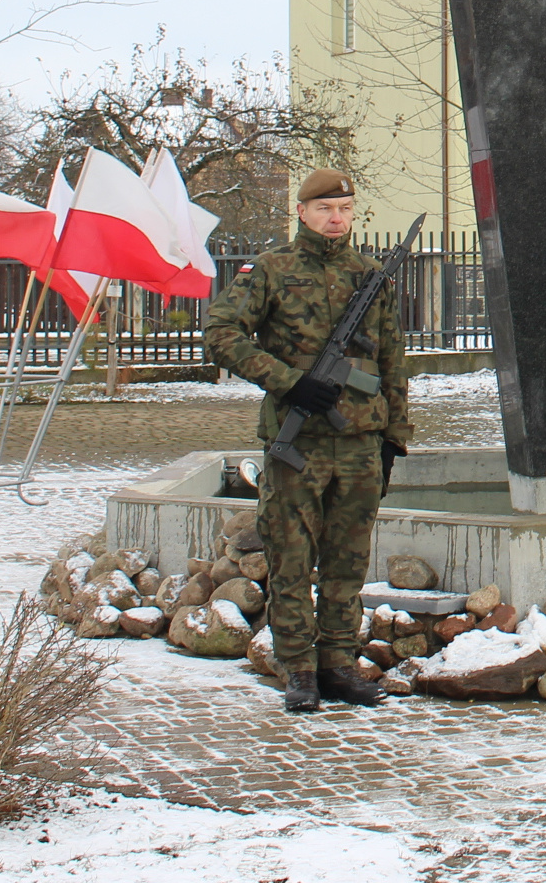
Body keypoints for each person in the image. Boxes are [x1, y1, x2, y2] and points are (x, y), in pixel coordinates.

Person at [204, 169, 412, 712]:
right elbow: (221, 334)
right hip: (299, 444)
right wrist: (290, 380)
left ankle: (339, 664)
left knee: (348, 561)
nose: (335, 218)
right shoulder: (272, 270)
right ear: (302, 212)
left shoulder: (370, 275)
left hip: (361, 441)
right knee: (291, 557)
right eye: (324, 209)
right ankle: (297, 668)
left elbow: (392, 360)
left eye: (344, 208)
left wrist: (395, 437)